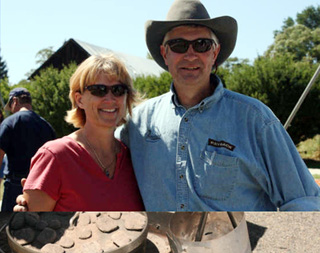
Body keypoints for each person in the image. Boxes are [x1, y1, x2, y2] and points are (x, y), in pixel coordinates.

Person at [118, 0, 320, 211]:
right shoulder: (137, 123)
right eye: (178, 45)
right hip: (160, 244)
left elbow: (304, 201)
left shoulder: (256, 120)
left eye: (202, 45)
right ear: (164, 53)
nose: (190, 54)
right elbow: (99, 167)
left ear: (215, 53)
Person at [16, 54, 144, 212]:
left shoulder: (135, 159)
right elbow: (31, 230)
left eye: (118, 90)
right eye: (99, 90)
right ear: (79, 99)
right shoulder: (55, 156)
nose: (110, 99)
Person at [0, 88, 56, 211]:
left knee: (8, 224)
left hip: (15, 185)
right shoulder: (46, 125)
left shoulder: (9, 122)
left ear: (14, 101)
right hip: (41, 187)